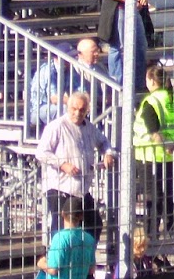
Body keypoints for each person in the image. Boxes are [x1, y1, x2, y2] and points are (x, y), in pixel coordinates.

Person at [34, 91, 115, 239]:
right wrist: (62, 164)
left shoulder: (89, 128)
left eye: (82, 110)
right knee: (62, 228)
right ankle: (56, 253)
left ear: (87, 110)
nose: (78, 113)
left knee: (94, 224)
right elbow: (41, 152)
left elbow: (104, 142)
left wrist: (108, 153)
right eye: (74, 109)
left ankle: (86, 251)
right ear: (68, 107)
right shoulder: (56, 126)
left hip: (81, 188)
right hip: (60, 187)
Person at [132, 64, 174, 237]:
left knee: (152, 197)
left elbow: (154, 132)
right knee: (169, 195)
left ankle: (151, 235)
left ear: (152, 81)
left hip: (150, 156)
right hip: (171, 156)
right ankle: (172, 232)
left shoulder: (151, 101)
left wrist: (165, 145)